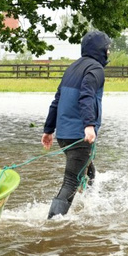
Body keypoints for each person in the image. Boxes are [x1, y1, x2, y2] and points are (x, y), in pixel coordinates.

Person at [41, 30, 111, 218]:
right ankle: (52, 224)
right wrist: (89, 125)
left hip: (64, 135)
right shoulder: (96, 69)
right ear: (101, 50)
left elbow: (57, 99)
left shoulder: (72, 68)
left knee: (89, 172)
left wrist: (48, 130)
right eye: (108, 48)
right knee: (71, 181)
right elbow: (87, 95)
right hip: (78, 135)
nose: (109, 52)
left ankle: (88, 209)